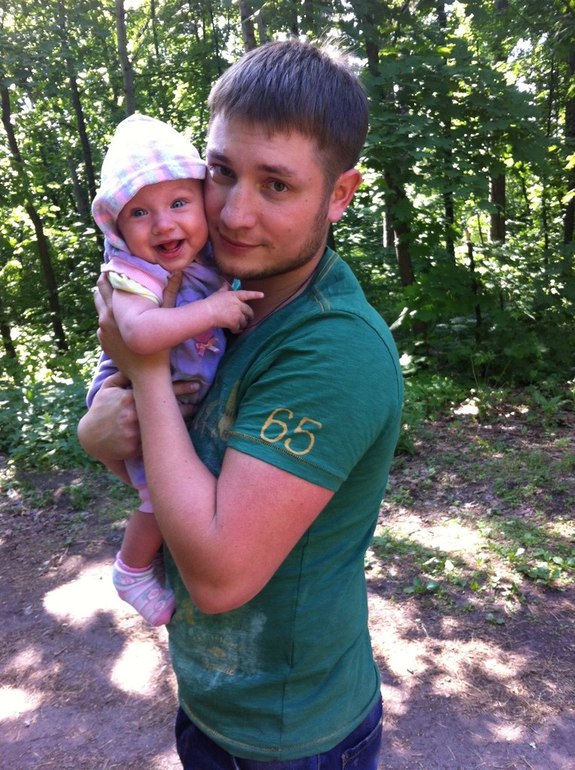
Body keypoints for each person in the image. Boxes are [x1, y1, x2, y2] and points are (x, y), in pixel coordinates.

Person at [78, 38, 403, 768]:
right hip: (210, 704)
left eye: (276, 185)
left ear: (339, 195)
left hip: (295, 735)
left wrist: (144, 371)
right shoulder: (201, 290)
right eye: (221, 172)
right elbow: (175, 458)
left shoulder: (333, 352)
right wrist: (98, 429)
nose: (231, 213)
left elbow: (219, 577)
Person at [89, 113, 262, 625]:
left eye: (179, 203)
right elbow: (139, 337)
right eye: (140, 212)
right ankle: (132, 569)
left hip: (171, 392)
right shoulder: (133, 272)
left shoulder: (203, 258)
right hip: (128, 393)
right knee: (158, 501)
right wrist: (212, 311)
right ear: (118, 228)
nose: (164, 224)